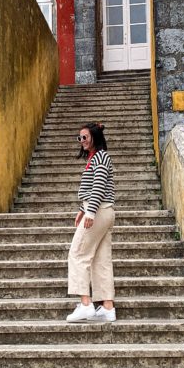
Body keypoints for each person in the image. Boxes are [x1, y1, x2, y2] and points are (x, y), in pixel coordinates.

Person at [66, 122, 117, 323]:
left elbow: (99, 186)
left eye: (85, 137)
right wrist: (82, 210)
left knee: (78, 253)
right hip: (102, 210)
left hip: (98, 210)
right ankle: (107, 307)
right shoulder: (95, 158)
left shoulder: (101, 157)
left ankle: (86, 305)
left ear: (95, 137)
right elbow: (94, 187)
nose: (82, 141)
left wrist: (90, 212)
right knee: (101, 259)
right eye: (79, 138)